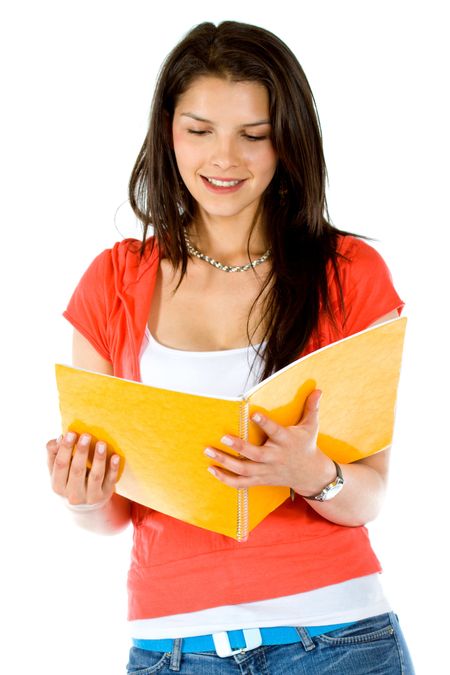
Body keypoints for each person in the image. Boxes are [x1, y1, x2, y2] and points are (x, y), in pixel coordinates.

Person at [47, 20, 415, 674]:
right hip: (173, 649)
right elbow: (108, 517)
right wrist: (83, 492)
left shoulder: (350, 273)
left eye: (254, 135)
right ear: (168, 132)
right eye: (199, 131)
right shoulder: (112, 282)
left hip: (337, 639)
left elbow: (371, 494)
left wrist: (310, 474)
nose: (225, 159)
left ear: (289, 143)